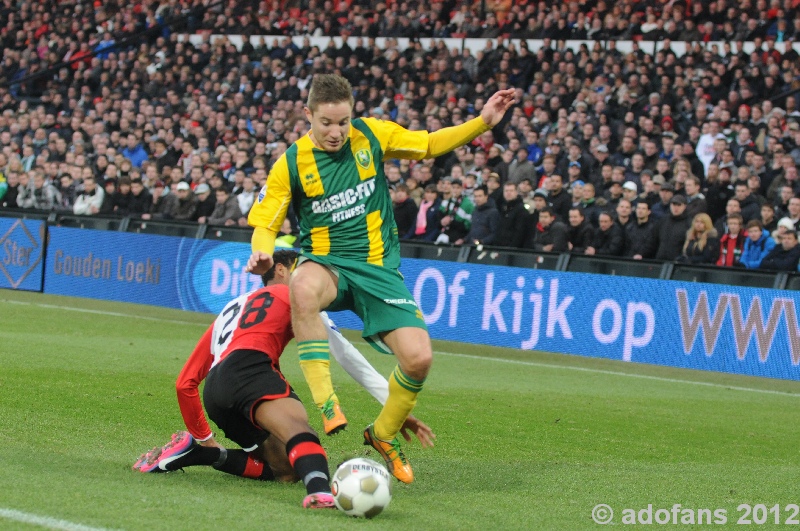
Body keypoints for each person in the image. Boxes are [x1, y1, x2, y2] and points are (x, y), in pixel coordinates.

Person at [246, 74, 514, 483]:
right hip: (329, 263)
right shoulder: (291, 163)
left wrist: (482, 122)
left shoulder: (372, 135)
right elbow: (266, 222)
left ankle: (383, 435)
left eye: (343, 122)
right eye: (326, 123)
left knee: (419, 359)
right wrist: (261, 250)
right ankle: (326, 401)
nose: (336, 132)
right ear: (308, 115)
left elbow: (426, 145)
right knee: (300, 284)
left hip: (379, 270)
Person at [133, 251, 434, 505]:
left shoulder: (230, 307)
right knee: (300, 433)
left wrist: (204, 438)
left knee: (285, 470)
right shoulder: (300, 295)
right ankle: (319, 495)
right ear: (282, 269)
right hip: (251, 370)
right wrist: (394, 404)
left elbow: (185, 382)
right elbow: (344, 354)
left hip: (216, 390)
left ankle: (196, 453)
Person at [654, 194, 692, 261]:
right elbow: (654, 239)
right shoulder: (663, 220)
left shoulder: (689, 223)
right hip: (660, 260)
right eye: (674, 204)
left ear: (684, 206)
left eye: (679, 205)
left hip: (677, 263)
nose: (676, 208)